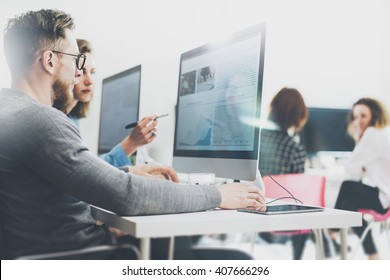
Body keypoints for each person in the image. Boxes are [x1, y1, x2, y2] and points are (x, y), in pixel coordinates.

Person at [0, 9, 266, 260]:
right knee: (238, 260)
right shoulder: (41, 120)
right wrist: (220, 195)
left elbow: (53, 187)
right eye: (76, 60)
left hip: (41, 254)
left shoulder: (8, 110)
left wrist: (124, 174)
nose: (79, 72)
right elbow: (126, 197)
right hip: (85, 258)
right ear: (49, 61)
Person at [53, 39, 155, 167]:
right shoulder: (57, 121)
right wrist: (131, 143)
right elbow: (86, 171)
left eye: (93, 72)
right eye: (82, 71)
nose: (89, 80)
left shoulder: (72, 118)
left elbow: (88, 165)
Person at [258, 87, 327, 259]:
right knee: (306, 205)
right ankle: (298, 259)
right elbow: (298, 191)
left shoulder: (256, 141)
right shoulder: (294, 148)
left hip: (255, 211)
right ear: (298, 115)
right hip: (284, 218)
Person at [328, 97, 390, 260]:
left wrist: (357, 137)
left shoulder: (372, 134)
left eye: (363, 116)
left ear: (374, 116)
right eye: (355, 117)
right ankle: (373, 254)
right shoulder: (377, 134)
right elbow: (357, 170)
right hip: (383, 196)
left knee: (347, 185)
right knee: (348, 204)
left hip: (384, 199)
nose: (358, 121)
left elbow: (352, 170)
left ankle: (331, 230)